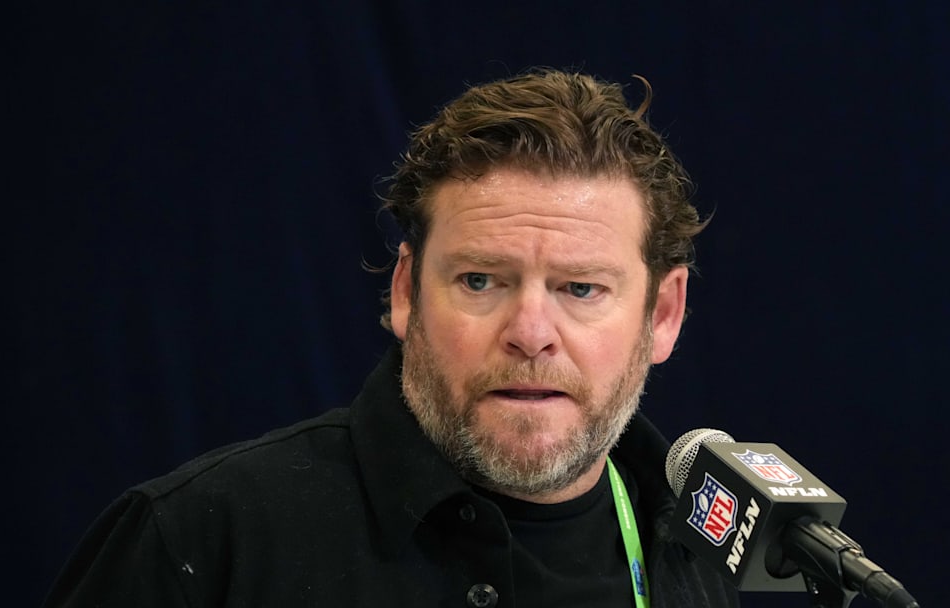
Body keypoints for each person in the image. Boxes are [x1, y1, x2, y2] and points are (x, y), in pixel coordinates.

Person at [43, 69, 739, 608]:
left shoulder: (699, 550)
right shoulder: (201, 540)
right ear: (405, 292)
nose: (530, 334)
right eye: (479, 281)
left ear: (663, 314)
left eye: (580, 289)